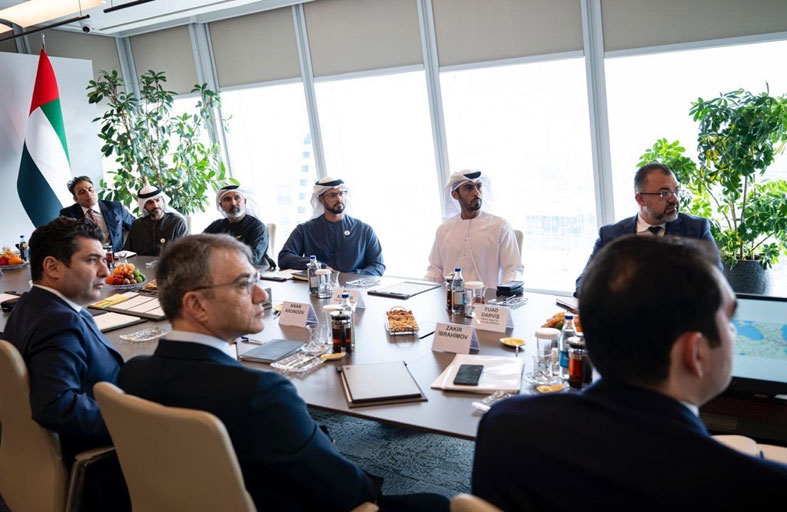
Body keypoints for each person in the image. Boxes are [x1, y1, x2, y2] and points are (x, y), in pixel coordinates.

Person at [117, 235, 447, 511]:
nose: (262, 295)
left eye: (257, 280)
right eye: (244, 285)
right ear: (197, 305)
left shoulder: (132, 374)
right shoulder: (260, 393)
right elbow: (343, 487)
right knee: (438, 503)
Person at [472, 236, 787, 511]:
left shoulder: (504, 426)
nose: (733, 333)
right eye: (729, 321)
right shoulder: (760, 490)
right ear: (695, 352)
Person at [3, 217, 129, 510]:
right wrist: (129, 419)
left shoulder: (31, 305)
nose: (105, 271)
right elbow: (56, 405)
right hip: (99, 474)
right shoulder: (59, 321)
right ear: (52, 267)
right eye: (92, 260)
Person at [575, 162, 719, 295]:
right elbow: (583, 284)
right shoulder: (610, 235)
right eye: (664, 193)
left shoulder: (696, 229)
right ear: (640, 199)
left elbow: (715, 281)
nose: (674, 199)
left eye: (676, 191)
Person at [425, 170, 522, 289]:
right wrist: (421, 290)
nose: (476, 192)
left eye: (479, 186)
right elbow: (435, 270)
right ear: (455, 195)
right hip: (450, 299)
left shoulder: (500, 226)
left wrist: (503, 293)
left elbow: (513, 269)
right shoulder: (443, 230)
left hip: (487, 299)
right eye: (468, 188)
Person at [278, 177, 385, 275]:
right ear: (321, 200)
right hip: (318, 287)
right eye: (333, 195)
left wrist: (351, 276)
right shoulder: (305, 230)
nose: (339, 199)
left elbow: (378, 266)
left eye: (341, 194)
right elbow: (284, 257)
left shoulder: (364, 230)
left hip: (354, 287)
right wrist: (319, 266)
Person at [203, 184, 274, 268]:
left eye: (237, 198)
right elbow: (198, 248)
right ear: (221, 206)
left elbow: (252, 259)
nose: (233, 203)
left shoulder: (257, 227)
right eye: (227, 199)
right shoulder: (216, 226)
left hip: (252, 272)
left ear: (245, 202)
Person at [59, 175, 135, 252]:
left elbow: (135, 226)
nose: (88, 194)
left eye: (90, 189)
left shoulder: (115, 207)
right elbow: (65, 241)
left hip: (115, 255)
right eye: (82, 192)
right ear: (75, 199)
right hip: (86, 256)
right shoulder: (68, 214)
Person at [124, 185, 188, 256]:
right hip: (140, 263)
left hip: (169, 262)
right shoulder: (137, 225)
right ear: (144, 206)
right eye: (150, 203)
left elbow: (185, 253)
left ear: (163, 201)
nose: (155, 205)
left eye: (157, 200)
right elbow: (127, 253)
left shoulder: (177, 223)